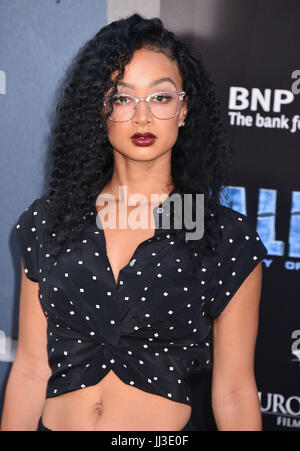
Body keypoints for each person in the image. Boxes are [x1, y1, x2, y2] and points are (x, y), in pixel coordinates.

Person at [0, 13, 268, 431]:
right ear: (99, 109)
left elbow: (233, 391)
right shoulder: (50, 221)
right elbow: (32, 370)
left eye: (160, 98)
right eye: (122, 98)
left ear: (184, 109)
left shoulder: (221, 236)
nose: (142, 117)